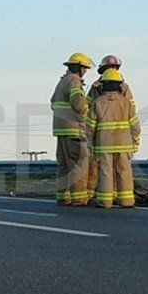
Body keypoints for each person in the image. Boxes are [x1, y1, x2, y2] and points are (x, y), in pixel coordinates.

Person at [87, 69, 140, 208]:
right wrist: (135, 141)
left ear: (103, 84)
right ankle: (127, 201)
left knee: (105, 172)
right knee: (125, 172)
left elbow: (90, 127)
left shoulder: (97, 102)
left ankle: (105, 201)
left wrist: (90, 144)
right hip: (124, 145)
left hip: (103, 145)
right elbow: (135, 125)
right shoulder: (126, 102)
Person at [51, 52, 92, 206]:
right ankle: (79, 198)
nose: (86, 71)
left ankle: (63, 196)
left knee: (63, 165)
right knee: (78, 165)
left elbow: (52, 102)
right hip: (73, 129)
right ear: (79, 68)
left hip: (60, 130)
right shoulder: (75, 81)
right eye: (84, 68)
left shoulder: (62, 81)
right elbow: (78, 103)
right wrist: (83, 117)